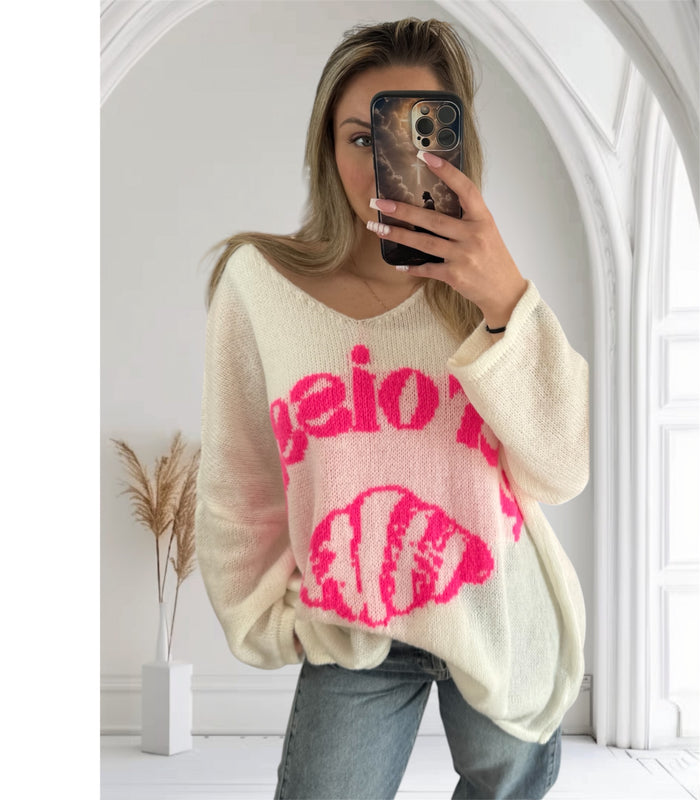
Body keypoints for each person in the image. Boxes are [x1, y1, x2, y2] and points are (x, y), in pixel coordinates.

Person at [195, 17, 589, 800]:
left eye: (415, 136)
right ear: (325, 147)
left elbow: (561, 468)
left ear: (454, 145)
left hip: (496, 605)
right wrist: (271, 619)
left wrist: (506, 300)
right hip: (356, 623)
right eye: (360, 136)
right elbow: (240, 477)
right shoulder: (260, 285)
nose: (385, 163)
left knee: (507, 786)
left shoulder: (484, 289)